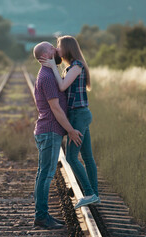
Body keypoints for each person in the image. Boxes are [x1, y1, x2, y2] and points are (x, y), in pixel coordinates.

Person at [40, 35, 100, 208]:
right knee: (87, 157)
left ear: (66, 48)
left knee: (72, 158)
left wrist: (52, 67)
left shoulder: (77, 66)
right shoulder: (70, 68)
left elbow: (62, 86)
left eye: (58, 46)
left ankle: (89, 193)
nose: (57, 50)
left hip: (79, 115)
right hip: (78, 115)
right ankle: (94, 194)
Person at [32, 41, 83, 229]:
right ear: (45, 55)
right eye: (53, 49)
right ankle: (42, 217)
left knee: (42, 174)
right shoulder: (46, 77)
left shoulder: (48, 74)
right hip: (50, 130)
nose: (56, 50)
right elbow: (55, 108)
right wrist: (70, 130)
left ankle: (41, 215)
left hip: (48, 131)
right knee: (45, 175)